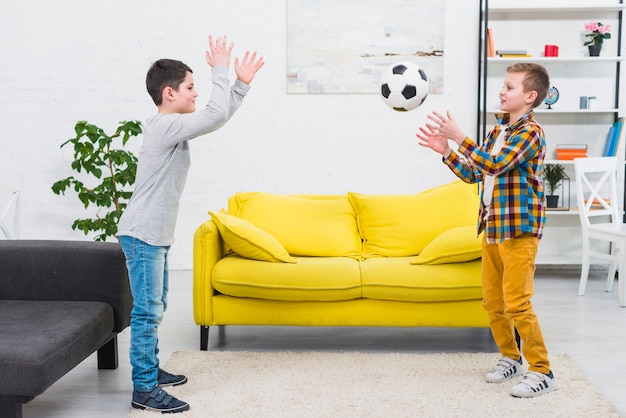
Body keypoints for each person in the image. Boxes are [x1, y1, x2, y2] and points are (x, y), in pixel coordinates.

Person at [117, 35, 264, 413]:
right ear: (169, 93)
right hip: (143, 235)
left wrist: (240, 84)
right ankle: (144, 389)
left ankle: (151, 370)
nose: (196, 94)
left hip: (152, 234)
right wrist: (221, 70)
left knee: (157, 305)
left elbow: (218, 114)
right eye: (190, 87)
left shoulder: (173, 127)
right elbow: (213, 114)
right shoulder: (163, 127)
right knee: (147, 312)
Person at [415, 63, 556, 398]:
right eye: (503, 86)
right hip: (493, 227)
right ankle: (511, 357)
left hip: (519, 231)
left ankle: (542, 370)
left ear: (530, 96)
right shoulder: (498, 131)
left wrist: (460, 137)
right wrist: (448, 152)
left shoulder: (530, 132)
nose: (502, 91)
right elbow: (476, 175)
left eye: (510, 87)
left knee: (517, 303)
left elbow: (494, 164)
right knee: (493, 302)